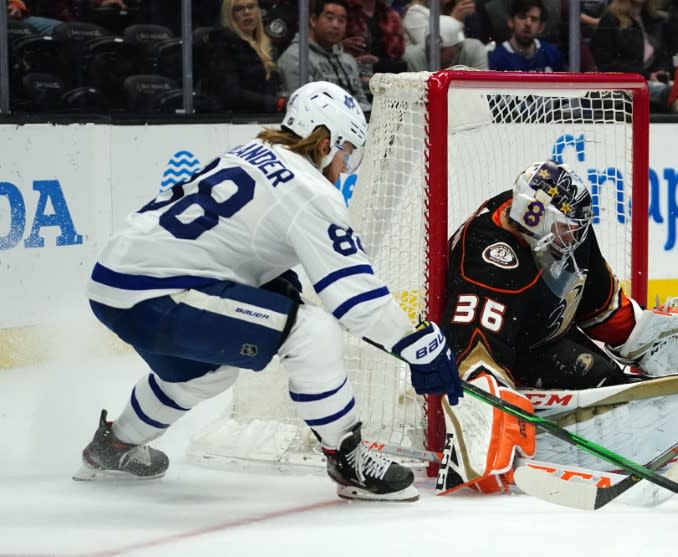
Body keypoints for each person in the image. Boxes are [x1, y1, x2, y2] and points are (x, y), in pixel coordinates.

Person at [72, 81, 463, 502]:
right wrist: (419, 342)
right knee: (312, 332)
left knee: (207, 371)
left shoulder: (251, 152)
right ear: (326, 141)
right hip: (160, 291)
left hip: (115, 283)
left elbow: (227, 243)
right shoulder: (309, 189)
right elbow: (355, 299)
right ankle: (350, 460)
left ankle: (113, 447)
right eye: (348, 152)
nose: (345, 167)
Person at [436, 160, 678, 493]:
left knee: (607, 382)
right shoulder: (490, 258)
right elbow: (473, 355)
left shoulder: (560, 231)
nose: (576, 234)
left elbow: (598, 302)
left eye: (576, 226)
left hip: (543, 334)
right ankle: (526, 433)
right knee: (503, 402)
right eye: (566, 227)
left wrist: (644, 335)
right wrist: (487, 406)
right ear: (535, 216)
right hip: (510, 353)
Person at [278, 0, 371, 112]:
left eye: (341, 20)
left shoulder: (349, 61)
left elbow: (362, 101)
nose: (335, 25)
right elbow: (306, 106)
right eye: (329, 18)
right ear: (313, 20)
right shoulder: (295, 57)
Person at [201, 0, 285, 113]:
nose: (247, 12)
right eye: (239, 9)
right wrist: (273, 103)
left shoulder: (265, 46)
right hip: (233, 121)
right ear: (229, 15)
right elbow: (230, 93)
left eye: (251, 7)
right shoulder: (222, 45)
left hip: (265, 118)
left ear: (258, 11)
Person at [591, 0, 673, 110]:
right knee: (669, 94)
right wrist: (646, 75)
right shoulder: (611, 19)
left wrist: (661, 70)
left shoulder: (655, 20)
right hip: (621, 85)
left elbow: (664, 54)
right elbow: (605, 63)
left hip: (650, 82)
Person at [342, 0, 407, 93]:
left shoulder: (391, 16)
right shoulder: (346, 12)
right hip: (354, 75)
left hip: (386, 75)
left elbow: (399, 50)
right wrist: (346, 48)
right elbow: (331, 47)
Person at [488, 0, 563, 72]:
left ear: (541, 27)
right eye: (522, 17)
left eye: (534, 19)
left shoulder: (552, 53)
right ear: (510, 21)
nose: (528, 23)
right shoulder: (496, 58)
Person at [403, 14, 489, 71]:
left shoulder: (473, 51)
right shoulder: (411, 57)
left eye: (441, 50)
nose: (433, 54)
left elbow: (483, 88)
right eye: (429, 48)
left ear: (456, 47)